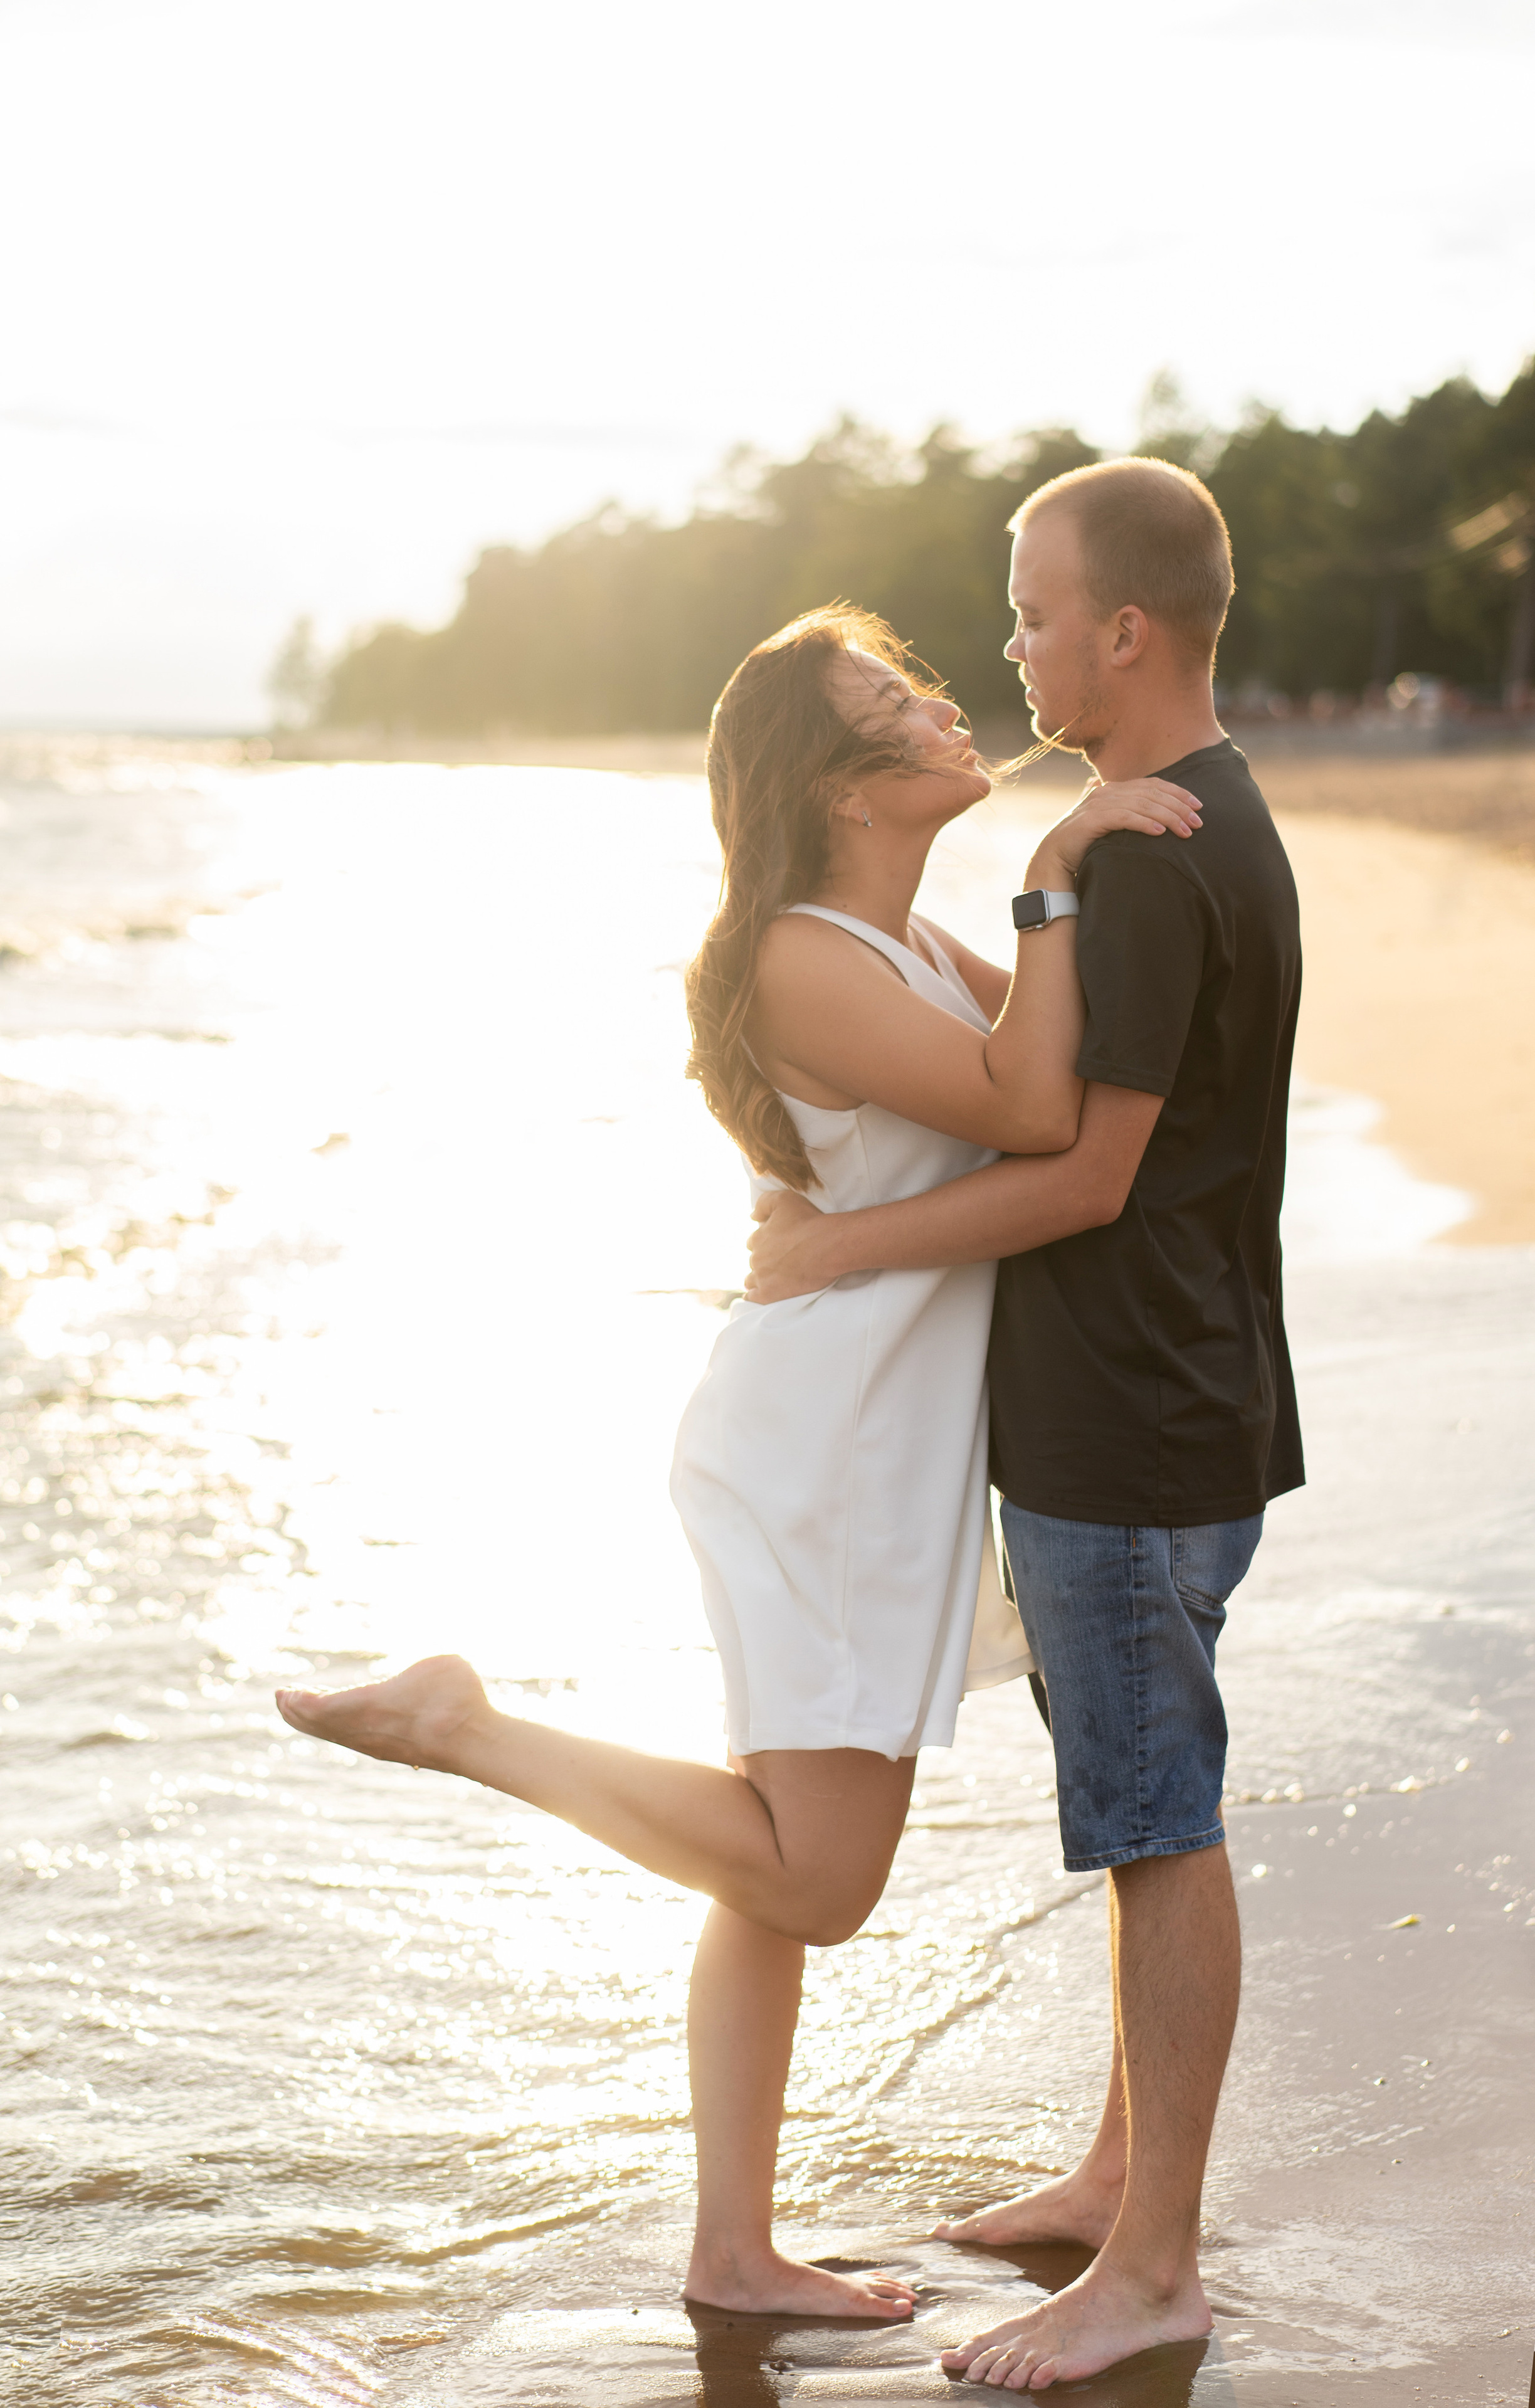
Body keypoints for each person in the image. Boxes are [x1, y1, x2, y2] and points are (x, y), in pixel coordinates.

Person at [275, 601, 1200, 2325]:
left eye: (922, 684)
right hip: (828, 1456)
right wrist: (1064, 857)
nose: (939, 709)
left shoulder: (894, 939)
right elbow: (1030, 1109)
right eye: (892, 701)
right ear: (834, 783)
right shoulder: (801, 955)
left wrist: (1071, 899)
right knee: (817, 1877)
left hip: (849, 1439)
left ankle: (729, 2247)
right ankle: (468, 1726)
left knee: (760, 1853)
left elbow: (1064, 1068)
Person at [745, 461, 1304, 2392]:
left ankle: (1150, 2267)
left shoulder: (1145, 854)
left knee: (1158, 1824)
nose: (1007, 645)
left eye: (1030, 611)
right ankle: (1118, 2173)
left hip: (1133, 1417)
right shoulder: (1187, 821)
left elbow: (1078, 1172)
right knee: (1153, 1799)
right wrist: (1051, 873)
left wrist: (840, 1252)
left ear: (1121, 632)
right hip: (1181, 1393)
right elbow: (1017, 1053)